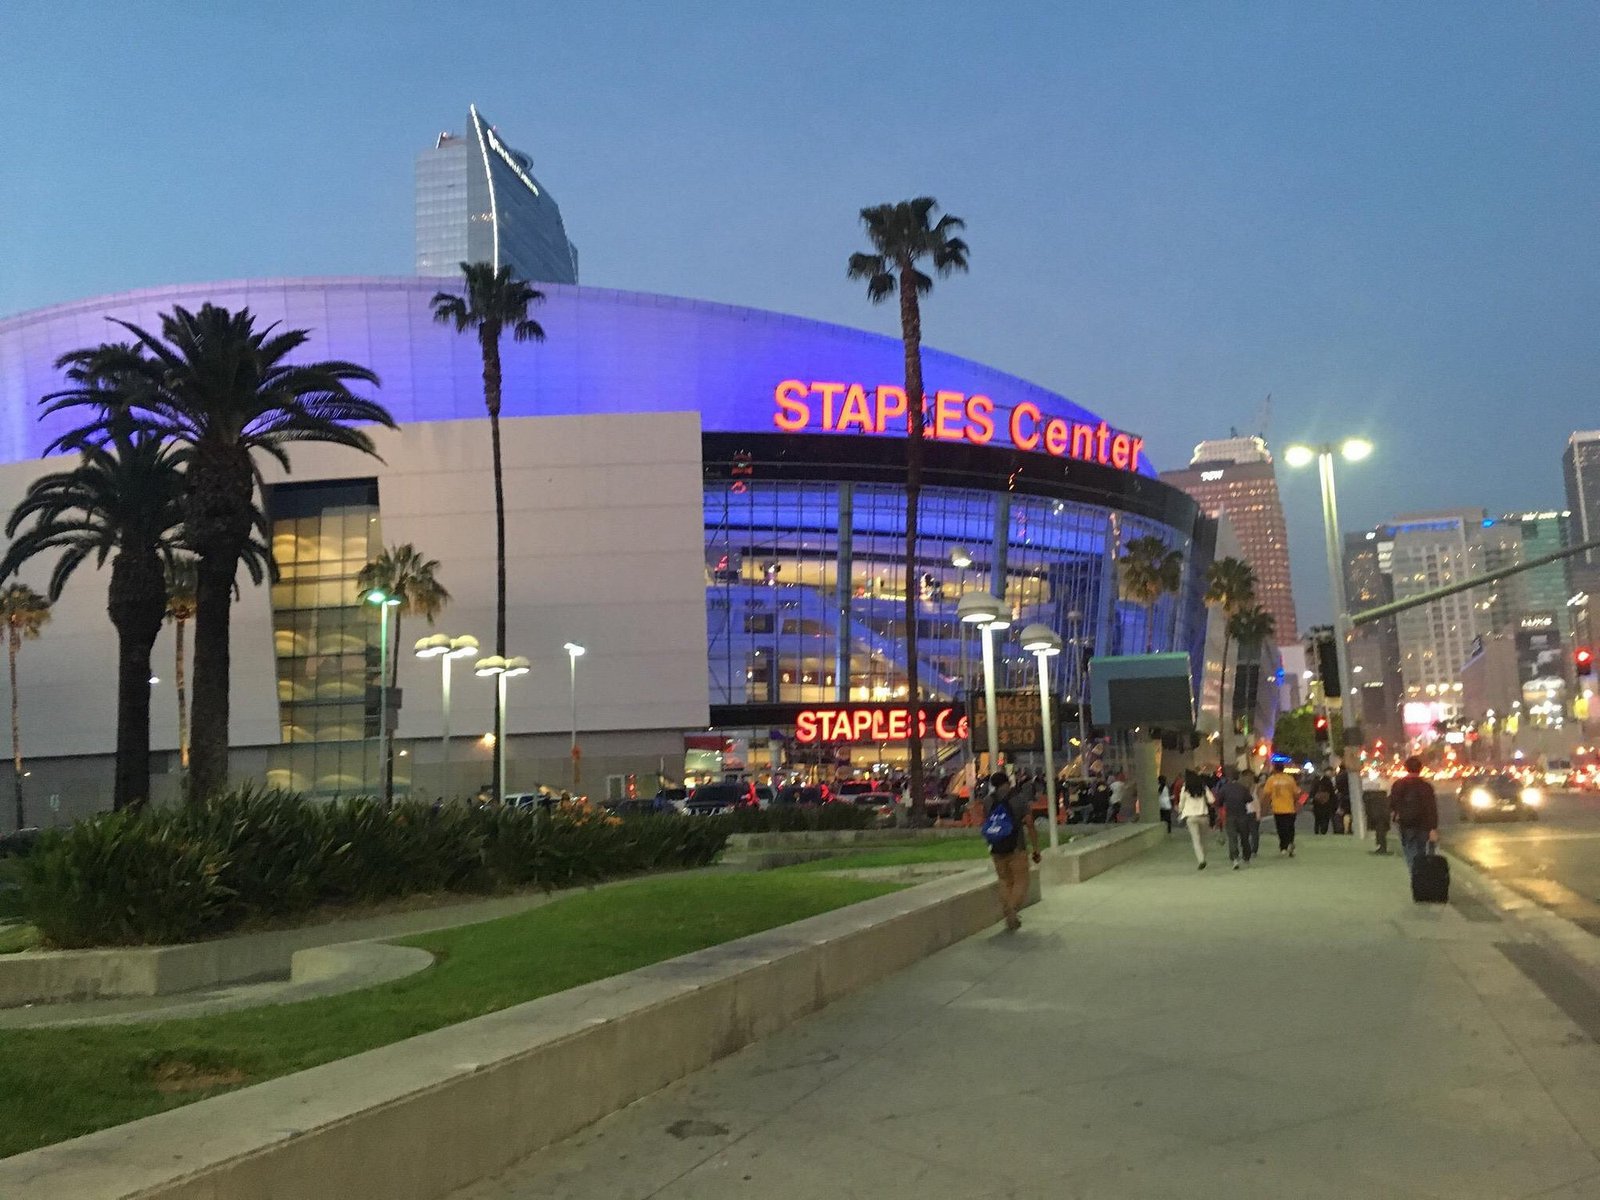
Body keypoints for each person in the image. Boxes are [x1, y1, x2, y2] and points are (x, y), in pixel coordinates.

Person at [984, 771, 1042, 930]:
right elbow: (1029, 823)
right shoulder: (1019, 798)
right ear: (1007, 782)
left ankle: (1009, 911)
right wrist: (1036, 848)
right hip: (1016, 847)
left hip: (996, 848)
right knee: (1022, 881)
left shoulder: (988, 801)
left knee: (1004, 881)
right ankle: (1011, 909)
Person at [1389, 756, 1439, 873]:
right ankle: (1420, 872)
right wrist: (1433, 828)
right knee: (1421, 849)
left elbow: (1393, 802)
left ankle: (1414, 872)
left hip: (1406, 823)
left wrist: (1396, 813)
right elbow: (1431, 808)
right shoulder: (1426, 787)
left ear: (1406, 768)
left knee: (1410, 848)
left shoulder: (1399, 784)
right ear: (1420, 769)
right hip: (1423, 824)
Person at [1216, 770, 1257, 868]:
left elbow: (1219, 802)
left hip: (1230, 816)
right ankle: (1246, 857)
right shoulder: (1243, 788)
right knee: (1244, 838)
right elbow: (1249, 799)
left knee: (1232, 838)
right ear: (1239, 777)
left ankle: (1234, 858)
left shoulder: (1224, 788)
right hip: (1242, 815)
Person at [1262, 763, 1301, 856]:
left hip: (1277, 808)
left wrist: (1264, 808)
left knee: (1281, 828)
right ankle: (1290, 843)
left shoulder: (1271, 780)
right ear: (1283, 769)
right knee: (1290, 828)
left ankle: (1283, 847)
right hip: (1290, 808)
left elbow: (1267, 795)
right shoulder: (1290, 779)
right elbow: (1296, 794)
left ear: (1275, 769)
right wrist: (1296, 803)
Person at [1176, 770, 1212, 870]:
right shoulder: (1203, 787)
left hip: (1190, 817)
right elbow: (1212, 799)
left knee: (1196, 840)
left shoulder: (1185, 789)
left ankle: (1201, 860)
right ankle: (1204, 855)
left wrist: (1180, 811)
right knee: (1204, 839)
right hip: (1203, 816)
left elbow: (1181, 803)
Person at [1309, 768, 1336, 835]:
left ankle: (1317, 830)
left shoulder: (1315, 781)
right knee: (1325, 817)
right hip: (1326, 802)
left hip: (1317, 802)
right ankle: (1323, 830)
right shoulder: (1328, 781)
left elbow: (1312, 791)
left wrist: (1312, 799)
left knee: (1318, 818)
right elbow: (1332, 792)